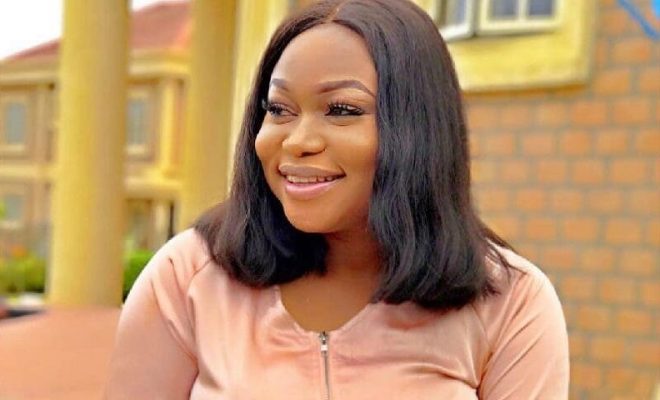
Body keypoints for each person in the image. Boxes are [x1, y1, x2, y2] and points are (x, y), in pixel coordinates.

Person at [105, 0, 569, 398]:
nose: (297, 141)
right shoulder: (188, 276)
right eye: (279, 110)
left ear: (418, 129)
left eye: (342, 110)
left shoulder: (511, 302)